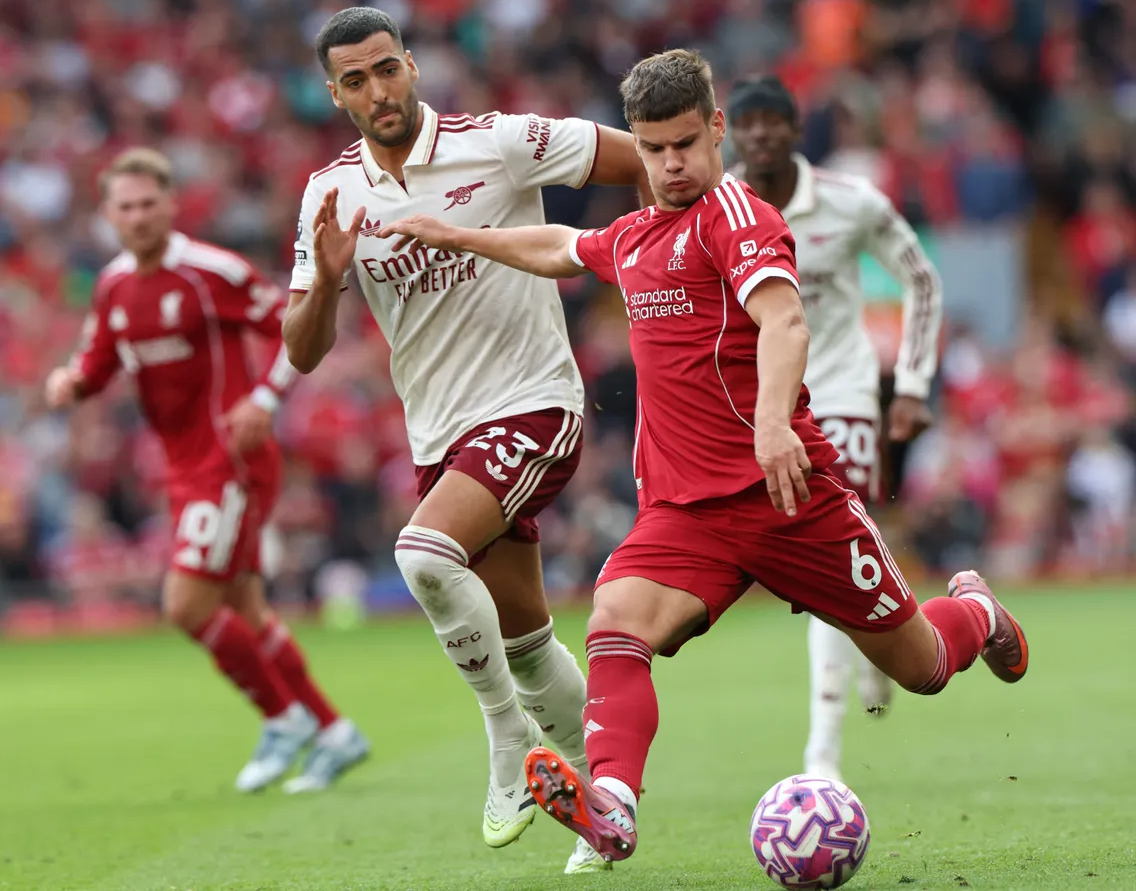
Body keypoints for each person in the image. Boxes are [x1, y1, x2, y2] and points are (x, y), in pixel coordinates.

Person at [371, 48, 1029, 865]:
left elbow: (785, 322)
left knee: (922, 667)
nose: (670, 165)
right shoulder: (641, 235)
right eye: (651, 150)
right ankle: (612, 804)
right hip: (687, 513)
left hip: (790, 494)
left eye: (684, 143)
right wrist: (451, 233)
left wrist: (770, 422)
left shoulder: (738, 217)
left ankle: (978, 612)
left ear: (716, 130)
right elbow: (559, 246)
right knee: (615, 622)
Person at [279, 7, 649, 872]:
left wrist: (645, 278)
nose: (379, 91)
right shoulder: (328, 195)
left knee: (422, 555)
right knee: (522, 640)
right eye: (357, 80)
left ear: (412, 65)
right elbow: (301, 353)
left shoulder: (502, 140)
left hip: (536, 403)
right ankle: (606, 812)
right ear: (336, 95)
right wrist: (327, 285)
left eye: (388, 69)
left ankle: (507, 745)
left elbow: (646, 162)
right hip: (440, 433)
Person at [45, 148, 367, 795]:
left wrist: (266, 398)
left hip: (231, 461)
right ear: (107, 214)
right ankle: (334, 733)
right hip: (183, 468)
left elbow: (293, 326)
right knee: (245, 610)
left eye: (148, 203)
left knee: (187, 604)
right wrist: (71, 382)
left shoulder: (208, 271)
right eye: (125, 207)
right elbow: (99, 359)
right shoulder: (113, 286)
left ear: (171, 205)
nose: (137, 217)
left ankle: (284, 717)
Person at [726, 75, 944, 781]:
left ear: (795, 131)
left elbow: (922, 278)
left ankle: (822, 751)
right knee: (822, 559)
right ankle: (883, 634)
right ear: (734, 132)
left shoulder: (851, 203)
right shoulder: (717, 207)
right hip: (765, 408)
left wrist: (909, 385)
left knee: (823, 553)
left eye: (773, 121)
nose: (759, 134)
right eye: (748, 122)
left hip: (844, 395)